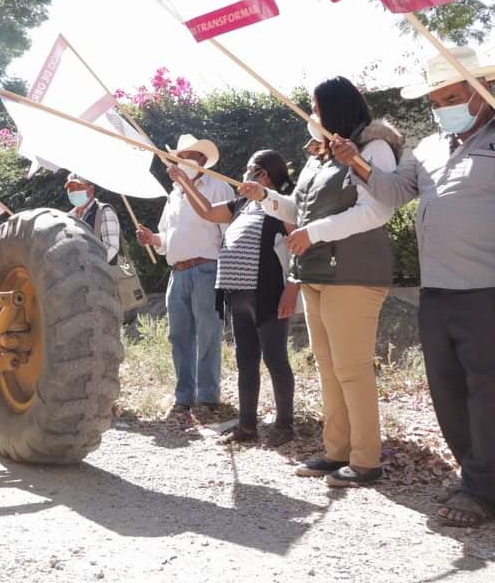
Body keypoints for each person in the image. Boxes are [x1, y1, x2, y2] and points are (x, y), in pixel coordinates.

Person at [330, 47, 495, 525]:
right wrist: (357, 164)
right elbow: (392, 192)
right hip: (437, 293)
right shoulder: (427, 149)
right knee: (447, 390)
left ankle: (482, 490)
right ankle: (477, 475)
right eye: (435, 99)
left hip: (487, 291)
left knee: (488, 391)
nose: (441, 106)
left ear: (482, 94)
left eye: (452, 96)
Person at [240, 77, 403, 487]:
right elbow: (301, 205)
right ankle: (337, 452)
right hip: (316, 273)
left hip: (354, 274)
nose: (311, 115)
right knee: (329, 368)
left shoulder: (372, 147)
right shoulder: (321, 154)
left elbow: (378, 209)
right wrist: (265, 197)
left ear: (334, 108)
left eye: (315, 107)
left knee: (351, 368)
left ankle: (366, 461)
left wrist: (315, 233)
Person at [170, 150, 299, 446]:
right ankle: (247, 425)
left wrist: (293, 284)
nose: (245, 173)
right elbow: (206, 211)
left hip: (269, 292)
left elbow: (296, 243)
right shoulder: (242, 203)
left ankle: (284, 425)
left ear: (264, 173)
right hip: (238, 293)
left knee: (275, 358)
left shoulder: (283, 204)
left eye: (250, 168)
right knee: (246, 359)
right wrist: (184, 182)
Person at [135, 134, 232, 414]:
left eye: (188, 157)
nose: (183, 162)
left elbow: (229, 233)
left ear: (201, 160)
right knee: (179, 336)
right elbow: (166, 236)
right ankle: (184, 397)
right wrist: (152, 239)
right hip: (177, 273)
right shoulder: (174, 195)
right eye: (180, 157)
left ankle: (208, 397)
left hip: (207, 269)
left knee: (209, 333)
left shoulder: (219, 187)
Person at [64, 173, 120, 263]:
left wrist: (87, 264)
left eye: (79, 187)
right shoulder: (67, 218)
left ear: (91, 189)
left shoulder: (104, 211)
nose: (75, 192)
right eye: (71, 189)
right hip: (77, 275)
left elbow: (111, 248)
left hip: (103, 274)